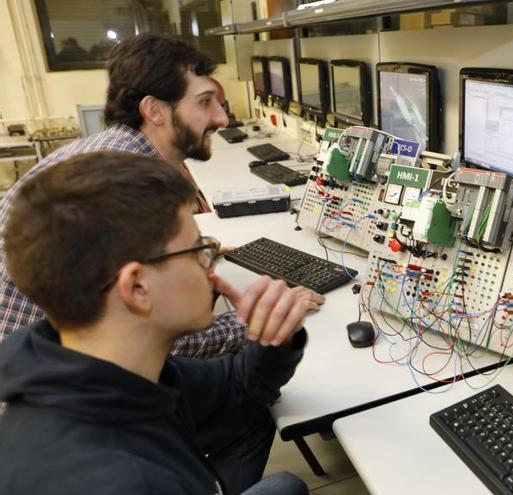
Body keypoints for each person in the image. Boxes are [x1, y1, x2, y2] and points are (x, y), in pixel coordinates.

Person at [0, 152, 311, 494]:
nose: (211, 272)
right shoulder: (124, 480)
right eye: (197, 251)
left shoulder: (98, 368)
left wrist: (277, 336)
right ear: (136, 288)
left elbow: (239, 386)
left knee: (287, 486)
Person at [0, 34, 324, 357]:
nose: (222, 118)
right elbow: (155, 338)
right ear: (154, 110)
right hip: (46, 382)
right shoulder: (128, 188)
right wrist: (255, 320)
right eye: (204, 102)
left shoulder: (114, 153)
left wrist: (183, 251)